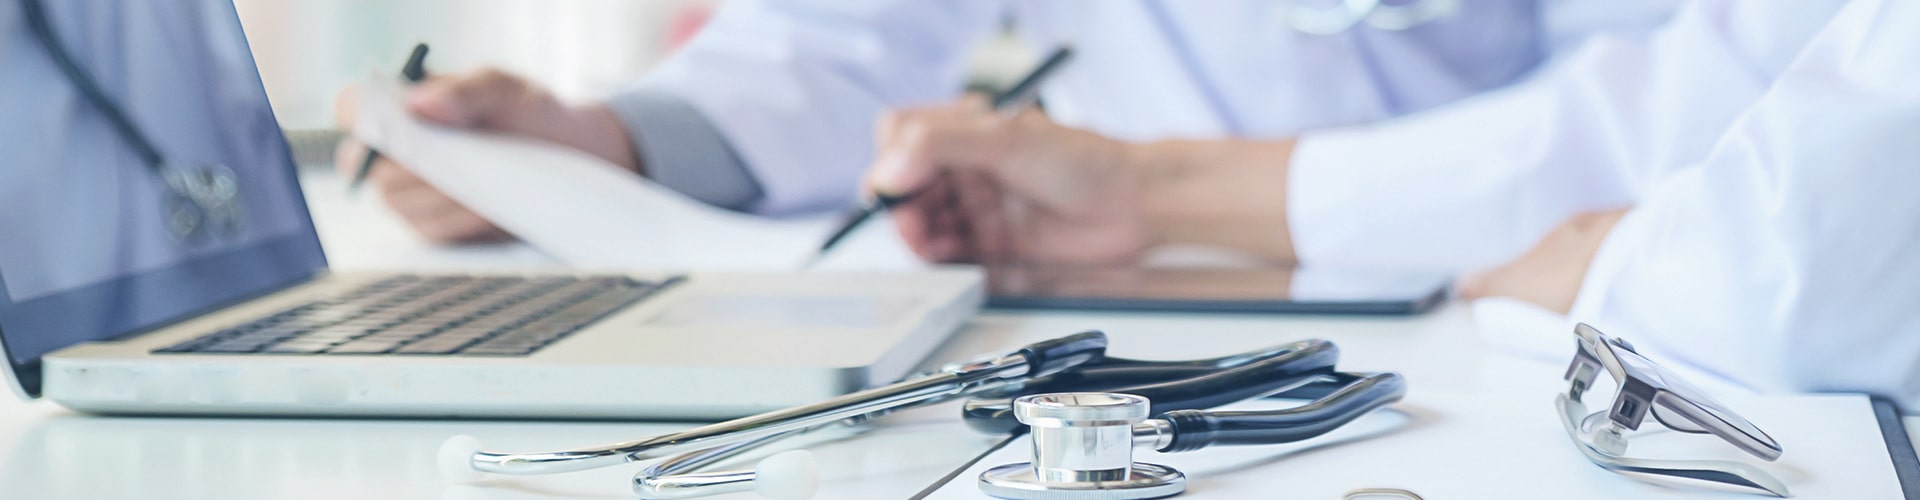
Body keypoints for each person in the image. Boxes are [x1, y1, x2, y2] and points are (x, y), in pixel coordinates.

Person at [875, 0, 1920, 409]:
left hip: (1518, 302)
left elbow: (1789, 249)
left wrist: (1619, 257)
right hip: (1186, 266)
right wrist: (1155, 189)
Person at [334, 0, 1682, 244]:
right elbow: (832, 37)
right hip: (1167, 285)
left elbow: (1675, 95)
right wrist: (604, 150)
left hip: (1583, 291)